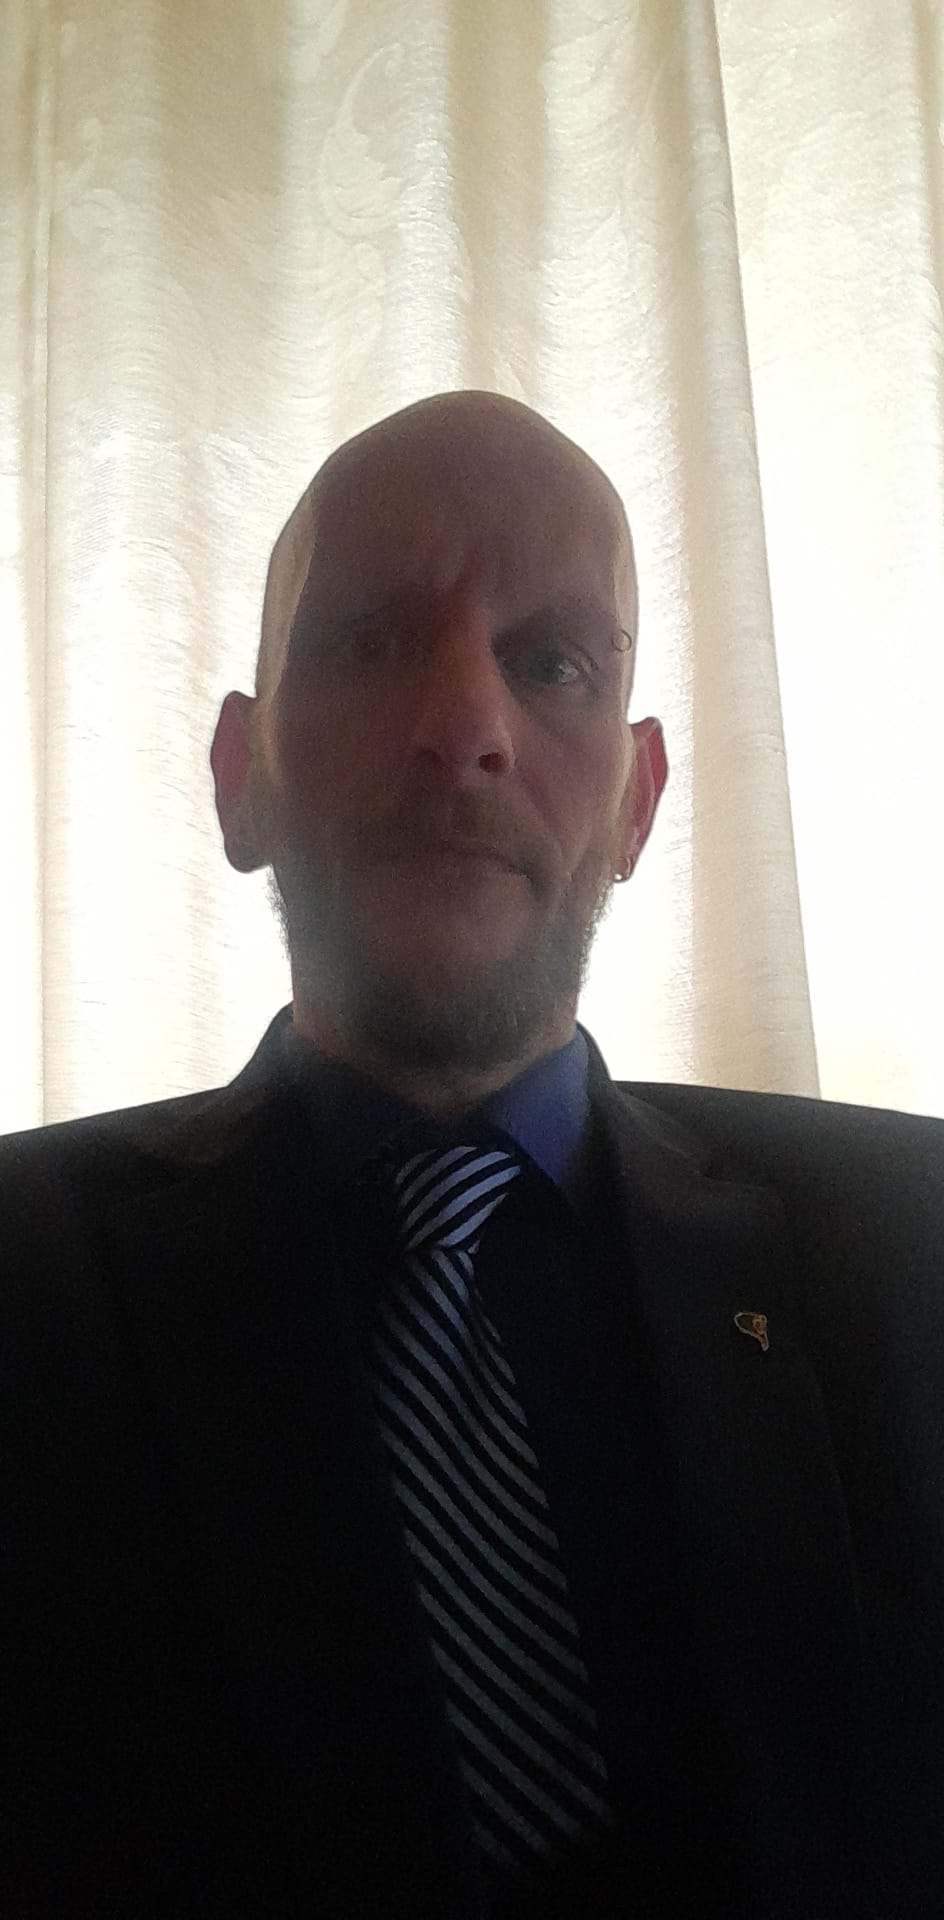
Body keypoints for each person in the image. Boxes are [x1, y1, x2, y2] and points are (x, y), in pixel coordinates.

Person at [3, 390, 942, 1920]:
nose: (465, 727)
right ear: (240, 774)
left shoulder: (918, 1254)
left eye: (553, 661)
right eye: (371, 638)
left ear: (637, 801)